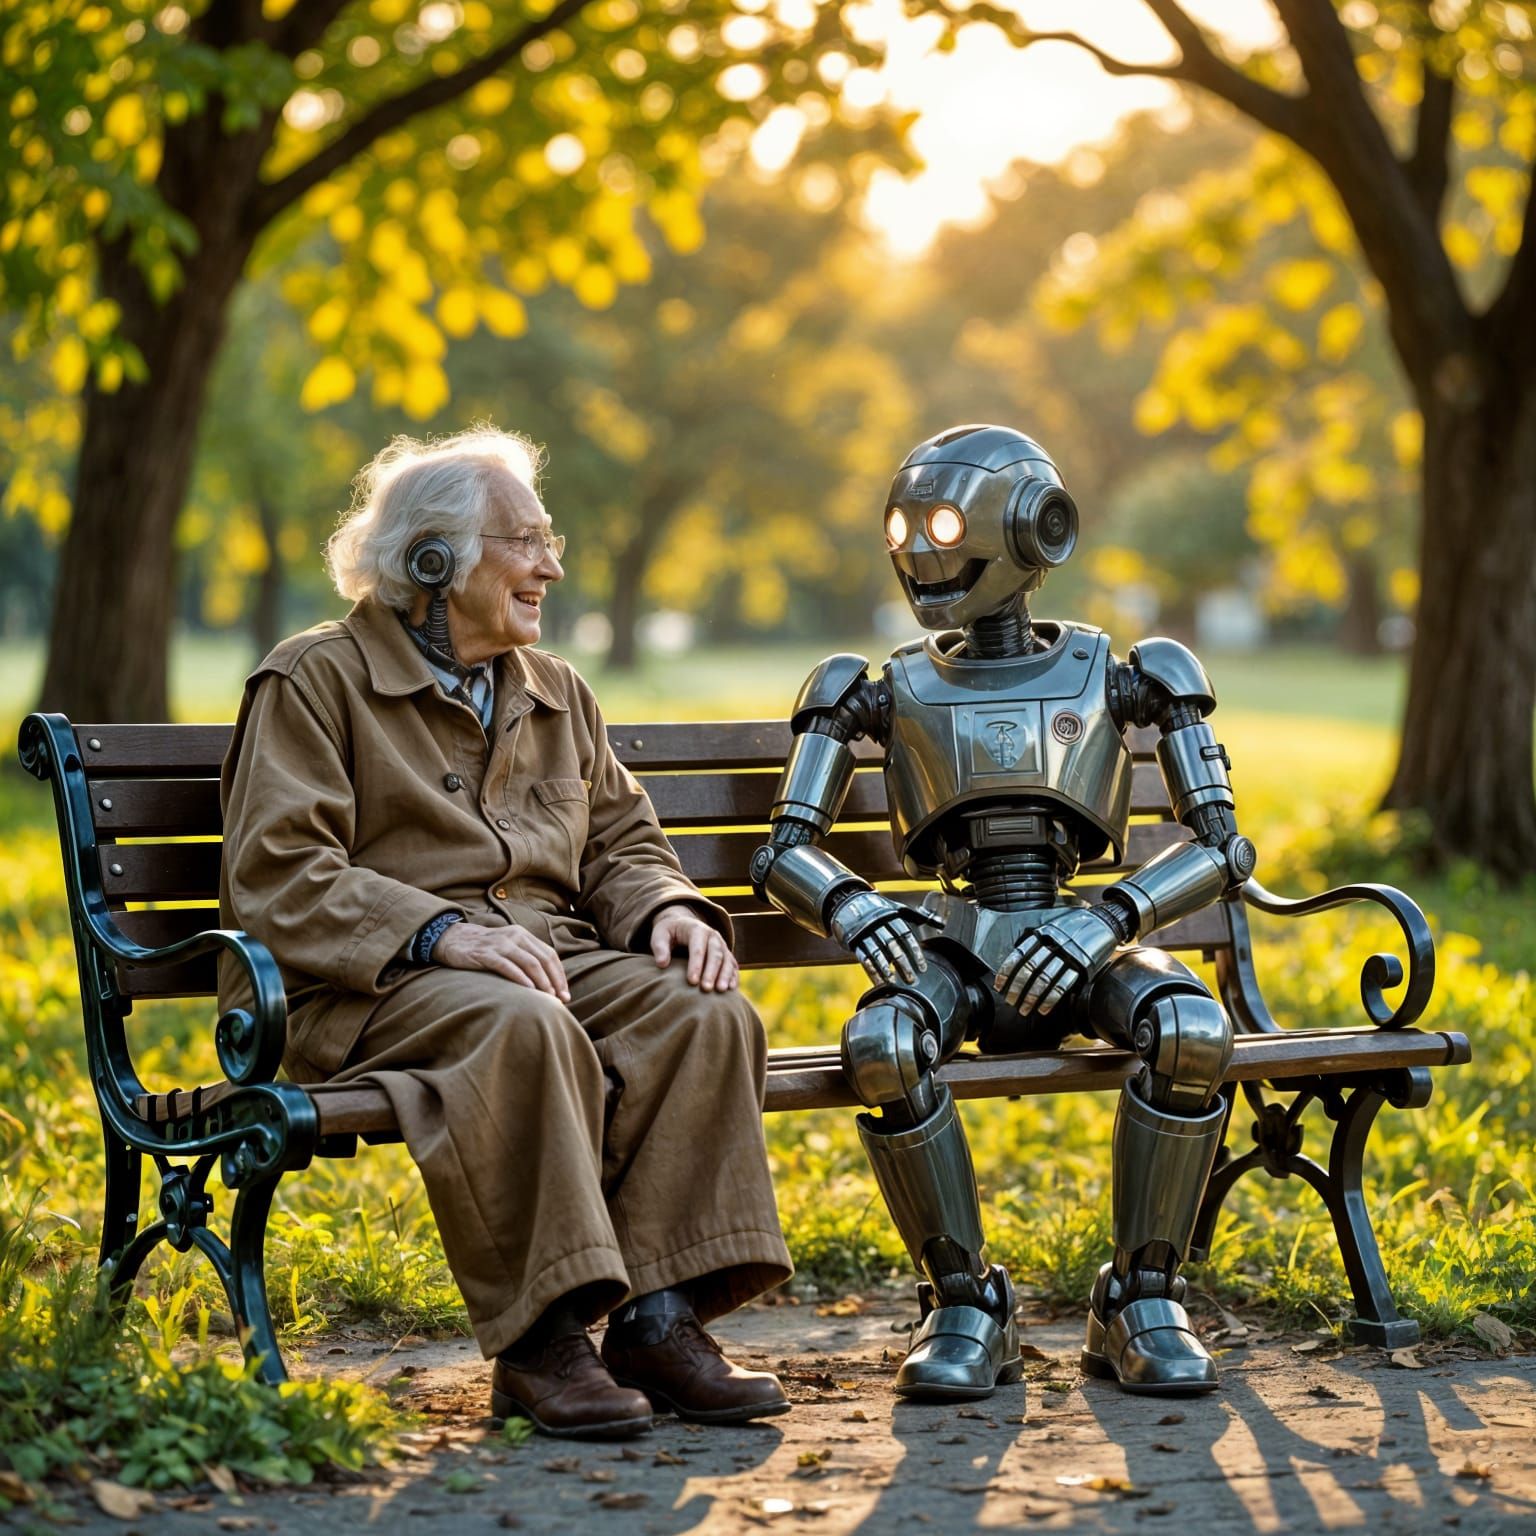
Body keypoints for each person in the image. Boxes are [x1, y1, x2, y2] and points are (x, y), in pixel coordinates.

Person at [218, 426, 792, 1440]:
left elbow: (620, 842)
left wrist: (662, 908)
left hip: (541, 959)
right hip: (365, 985)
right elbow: (280, 876)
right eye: (524, 541)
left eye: (549, 539)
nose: (550, 566)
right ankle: (544, 1341)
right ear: (433, 562)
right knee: (523, 1028)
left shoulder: (557, 690)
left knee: (700, 1012)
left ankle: (660, 1320)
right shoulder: (313, 680)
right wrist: (438, 931)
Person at [752, 424, 1256, 1401]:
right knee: (884, 1046)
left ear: (1036, 528)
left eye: (943, 524)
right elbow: (783, 848)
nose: (922, 551)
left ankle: (1142, 1299)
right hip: (957, 947)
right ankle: (964, 1302)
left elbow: (1223, 845)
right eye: (905, 528)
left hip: (1085, 940)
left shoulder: (1133, 670)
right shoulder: (873, 686)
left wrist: (1109, 919)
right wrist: (854, 910)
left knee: (1190, 1025)